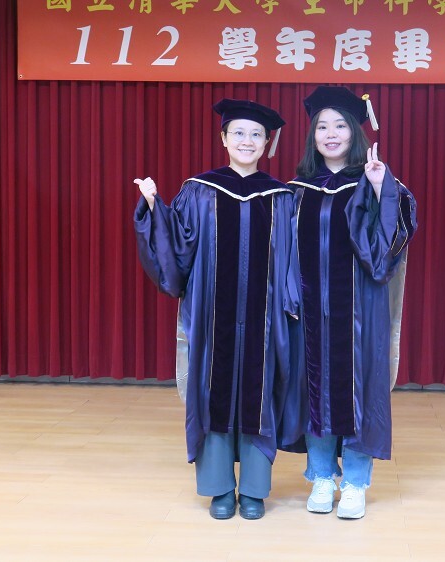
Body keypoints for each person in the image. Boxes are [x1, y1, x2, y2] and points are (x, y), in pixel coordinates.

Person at [133, 99, 294, 520]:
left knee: (261, 394)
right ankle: (219, 488)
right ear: (223, 139)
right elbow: (178, 246)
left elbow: (295, 260)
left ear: (267, 143)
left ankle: (254, 489)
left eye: (256, 135)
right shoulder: (199, 190)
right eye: (238, 133)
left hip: (264, 319)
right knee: (211, 392)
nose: (247, 141)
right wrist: (154, 208)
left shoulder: (282, 198)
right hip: (212, 316)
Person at [279, 86, 418, 519]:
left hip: (361, 309)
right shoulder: (297, 190)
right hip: (308, 310)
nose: (331, 134)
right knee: (314, 389)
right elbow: (281, 249)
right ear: (313, 136)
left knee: (360, 389)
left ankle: (355, 482)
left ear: (356, 132)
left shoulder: (373, 180)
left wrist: (379, 189)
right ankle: (322, 476)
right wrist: (288, 291)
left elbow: (389, 248)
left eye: (340, 125)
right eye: (322, 127)